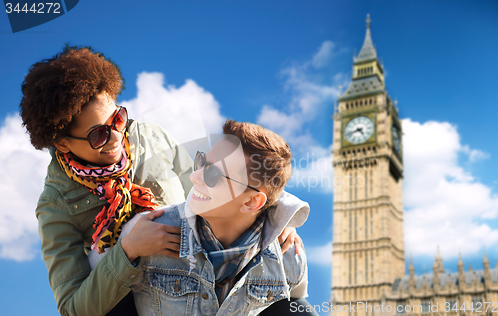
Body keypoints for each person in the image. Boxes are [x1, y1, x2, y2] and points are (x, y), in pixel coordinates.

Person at [20, 46, 301, 316]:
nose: (117, 137)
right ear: (63, 142)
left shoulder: (151, 138)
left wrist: (274, 218)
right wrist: (128, 250)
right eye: (98, 135)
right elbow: (73, 308)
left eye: (118, 119)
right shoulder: (56, 206)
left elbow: (215, 185)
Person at [127, 120, 318, 315]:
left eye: (213, 174)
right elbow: (99, 299)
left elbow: (295, 305)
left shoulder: (288, 255)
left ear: (252, 202)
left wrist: (282, 221)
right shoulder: (147, 233)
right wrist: (127, 252)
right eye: (202, 162)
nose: (194, 177)